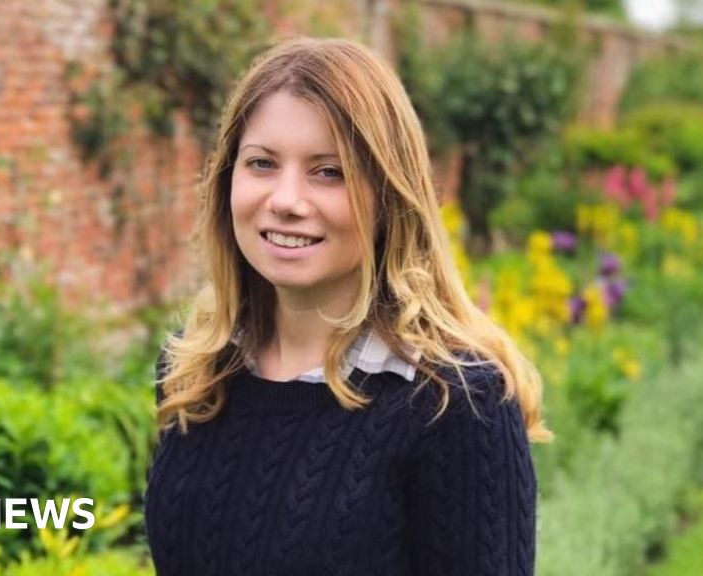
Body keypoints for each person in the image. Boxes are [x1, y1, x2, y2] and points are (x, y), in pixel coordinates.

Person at [142, 36, 552, 576]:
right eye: (262, 163)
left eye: (328, 171)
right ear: (227, 181)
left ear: (390, 195)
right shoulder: (195, 372)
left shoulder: (455, 404)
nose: (286, 201)